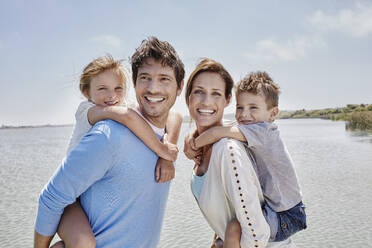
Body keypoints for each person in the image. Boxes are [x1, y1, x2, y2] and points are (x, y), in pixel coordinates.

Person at [34, 36, 185, 248]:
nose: (153, 88)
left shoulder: (163, 131)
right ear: (135, 83)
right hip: (72, 205)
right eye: (144, 78)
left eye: (164, 79)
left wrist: (167, 153)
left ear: (180, 87)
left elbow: (175, 116)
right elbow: (51, 199)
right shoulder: (108, 133)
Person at [184, 58, 295, 247]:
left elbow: (256, 237)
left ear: (227, 99)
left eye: (216, 93)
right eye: (199, 92)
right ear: (188, 97)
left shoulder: (228, 150)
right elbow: (229, 209)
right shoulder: (210, 146)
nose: (206, 101)